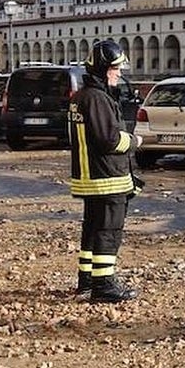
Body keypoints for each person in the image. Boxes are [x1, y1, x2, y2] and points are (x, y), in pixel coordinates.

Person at [68, 39, 143, 303]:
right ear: (103, 69)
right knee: (108, 230)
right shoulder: (98, 99)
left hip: (90, 177)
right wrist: (134, 142)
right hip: (107, 178)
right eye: (116, 68)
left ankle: (86, 281)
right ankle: (104, 285)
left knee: (92, 228)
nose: (119, 73)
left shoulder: (81, 97)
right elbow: (108, 140)